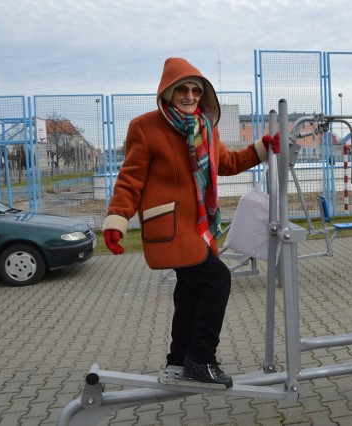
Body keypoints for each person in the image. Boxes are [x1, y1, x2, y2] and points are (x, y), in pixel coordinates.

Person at [102, 57, 279, 388]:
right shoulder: (144, 127)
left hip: (198, 227)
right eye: (182, 89)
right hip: (170, 228)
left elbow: (225, 163)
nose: (189, 96)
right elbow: (130, 179)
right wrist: (118, 220)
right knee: (217, 280)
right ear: (168, 92)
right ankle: (200, 359)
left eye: (195, 90)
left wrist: (260, 149)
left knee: (190, 294)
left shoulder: (205, 127)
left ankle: (177, 361)